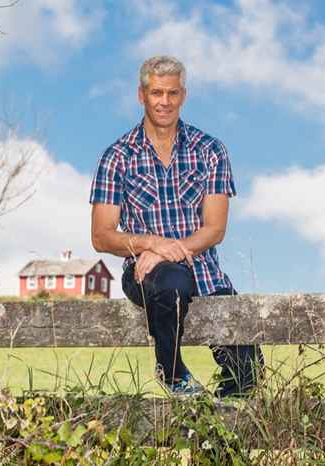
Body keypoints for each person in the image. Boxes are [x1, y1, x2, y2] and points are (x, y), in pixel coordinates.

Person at [89, 55, 263, 397]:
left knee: (248, 372)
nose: (164, 102)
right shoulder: (117, 157)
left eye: (172, 93)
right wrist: (152, 246)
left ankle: (211, 438)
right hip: (145, 273)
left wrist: (173, 249)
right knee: (171, 281)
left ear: (182, 95)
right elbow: (102, 235)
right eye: (156, 93)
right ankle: (170, 372)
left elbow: (215, 229)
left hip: (206, 274)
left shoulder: (210, 151)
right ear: (141, 95)